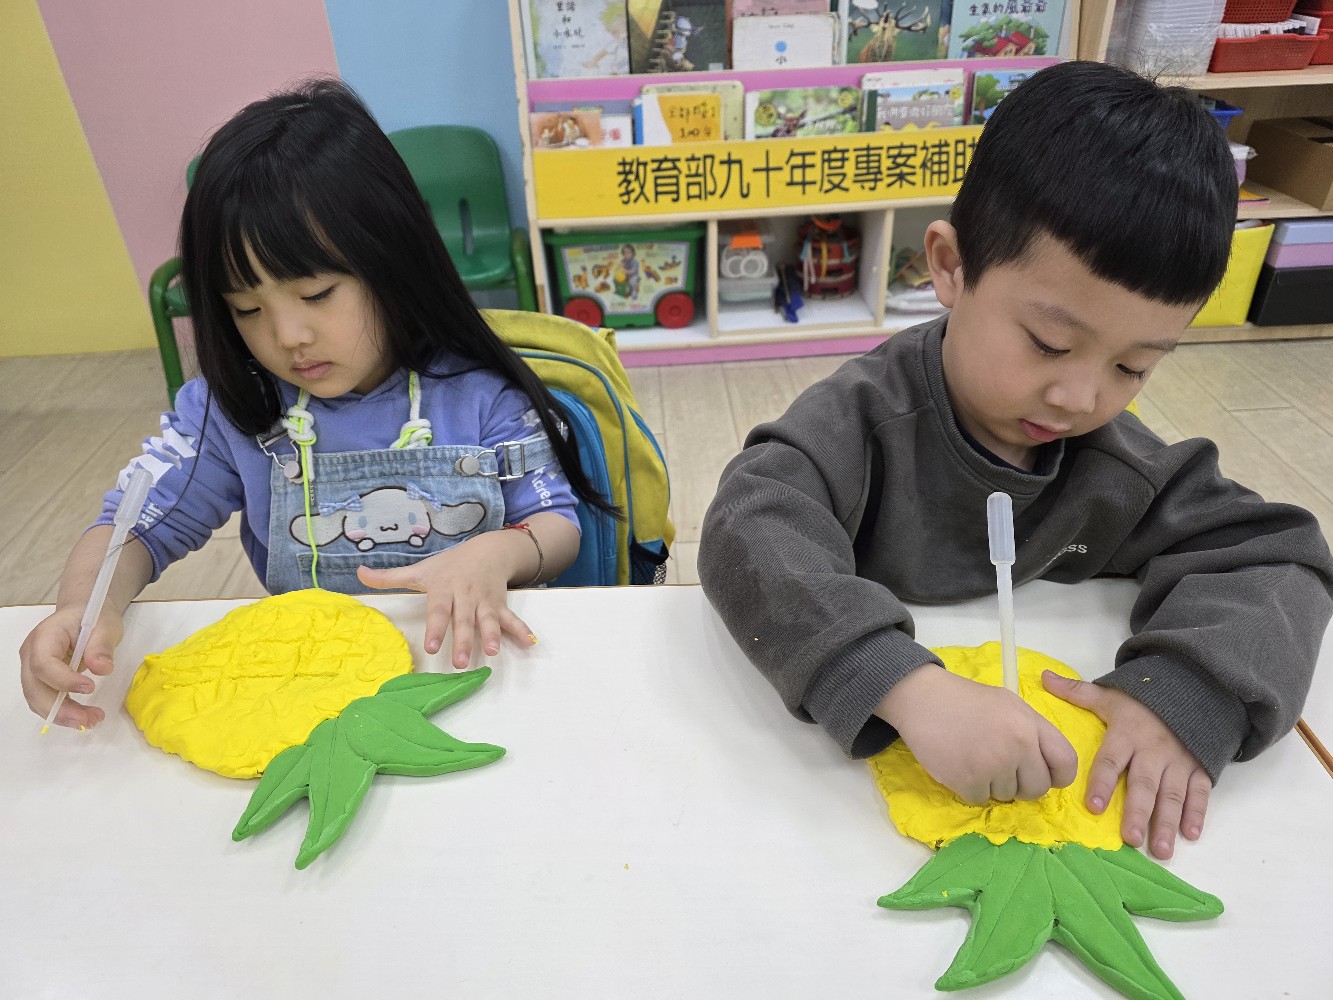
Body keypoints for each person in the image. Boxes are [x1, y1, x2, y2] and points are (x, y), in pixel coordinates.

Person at [697, 61, 1333, 862]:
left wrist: (1183, 692)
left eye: (1132, 366)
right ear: (950, 266)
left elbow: (1277, 555)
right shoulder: (864, 421)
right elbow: (749, 524)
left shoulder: (1115, 463)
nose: (1079, 397)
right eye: (1049, 344)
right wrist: (905, 687)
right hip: (815, 806)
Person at [21, 78, 617, 731]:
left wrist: (499, 553)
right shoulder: (230, 408)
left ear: (392, 261)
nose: (287, 336)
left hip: (475, 667)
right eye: (246, 308)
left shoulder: (481, 391)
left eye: (316, 295)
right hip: (319, 692)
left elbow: (555, 524)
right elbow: (135, 526)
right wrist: (84, 606)